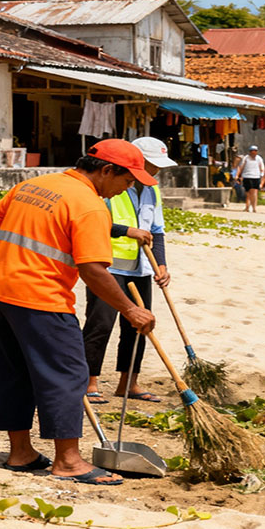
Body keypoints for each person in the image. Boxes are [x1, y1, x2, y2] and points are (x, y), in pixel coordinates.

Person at [0, 139, 157, 486]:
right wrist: (132, 310)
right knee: (69, 374)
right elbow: (94, 270)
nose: (126, 190)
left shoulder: (34, 185)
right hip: (42, 299)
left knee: (13, 372)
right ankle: (69, 461)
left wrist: (7, 267)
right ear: (106, 171)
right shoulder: (89, 206)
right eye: (127, 181)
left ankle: (21, 453)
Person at [82, 137, 175, 405]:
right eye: (151, 165)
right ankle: (90, 382)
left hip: (142, 268)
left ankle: (129, 383)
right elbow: (97, 222)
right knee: (100, 324)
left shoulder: (152, 190)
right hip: (109, 266)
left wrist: (161, 264)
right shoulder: (109, 186)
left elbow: (156, 231)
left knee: (139, 325)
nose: (155, 171)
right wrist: (127, 231)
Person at [235, 145, 264, 213]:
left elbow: (262, 167)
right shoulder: (246, 158)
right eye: (252, 151)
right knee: (248, 192)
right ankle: (248, 206)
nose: (253, 153)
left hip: (256, 176)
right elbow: (241, 167)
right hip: (247, 176)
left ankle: (254, 207)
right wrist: (237, 175)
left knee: (254, 192)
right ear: (250, 152)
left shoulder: (259, 158)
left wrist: (262, 175)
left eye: (255, 151)